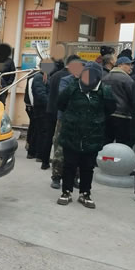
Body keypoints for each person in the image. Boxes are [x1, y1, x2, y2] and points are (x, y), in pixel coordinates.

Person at [56, 63, 116, 208]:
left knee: (88, 166)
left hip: (93, 135)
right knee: (69, 164)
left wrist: (95, 120)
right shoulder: (73, 87)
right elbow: (60, 104)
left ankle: (85, 194)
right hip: (71, 133)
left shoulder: (104, 90)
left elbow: (110, 109)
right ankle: (66, 192)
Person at [48, 55, 81, 189]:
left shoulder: (87, 82)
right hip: (64, 119)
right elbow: (65, 97)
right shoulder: (66, 80)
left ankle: (74, 177)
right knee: (60, 149)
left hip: (80, 121)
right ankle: (56, 176)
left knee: (77, 149)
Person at [102, 56, 133, 146]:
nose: (131, 67)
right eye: (128, 64)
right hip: (122, 115)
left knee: (107, 141)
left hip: (107, 115)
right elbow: (132, 96)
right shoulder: (127, 79)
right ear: (120, 65)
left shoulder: (105, 77)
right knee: (122, 144)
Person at [31, 67, 50, 169]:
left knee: (40, 131)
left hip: (42, 108)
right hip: (41, 108)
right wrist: (50, 104)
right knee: (42, 132)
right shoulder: (39, 77)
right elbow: (41, 94)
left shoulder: (45, 76)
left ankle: (35, 153)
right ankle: (39, 155)